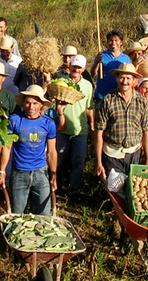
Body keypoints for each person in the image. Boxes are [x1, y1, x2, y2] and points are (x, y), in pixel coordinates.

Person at [0, 85, 63, 215]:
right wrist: (2, 171)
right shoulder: (14, 120)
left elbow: (51, 152)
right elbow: (7, 147)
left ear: (41, 105)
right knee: (18, 214)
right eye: (27, 102)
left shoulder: (48, 123)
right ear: (23, 103)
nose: (30, 107)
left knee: (44, 214)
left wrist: (53, 175)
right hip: (19, 173)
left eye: (34, 103)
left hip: (41, 173)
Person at [95, 62, 148, 181]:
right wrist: (99, 162)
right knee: (116, 190)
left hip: (134, 153)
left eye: (128, 78)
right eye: (122, 77)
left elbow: (146, 131)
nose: (125, 81)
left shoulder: (141, 101)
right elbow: (99, 134)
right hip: (112, 154)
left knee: (134, 187)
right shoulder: (107, 101)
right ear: (117, 78)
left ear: (134, 80)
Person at [56, 55, 94, 201]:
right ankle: (61, 184)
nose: (76, 70)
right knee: (61, 159)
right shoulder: (61, 82)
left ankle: (74, 191)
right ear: (69, 66)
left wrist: (91, 127)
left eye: (79, 67)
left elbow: (89, 107)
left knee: (78, 161)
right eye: (74, 66)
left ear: (83, 69)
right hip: (62, 128)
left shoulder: (88, 86)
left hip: (80, 130)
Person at [91, 31, 131, 103]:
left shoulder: (126, 58)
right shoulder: (101, 56)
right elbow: (93, 74)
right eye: (111, 40)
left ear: (121, 42)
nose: (113, 43)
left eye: (116, 40)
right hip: (102, 97)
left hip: (119, 97)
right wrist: (97, 62)